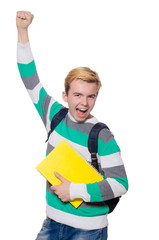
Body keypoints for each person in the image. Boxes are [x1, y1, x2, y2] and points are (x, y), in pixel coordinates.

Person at [16, 11, 128, 240]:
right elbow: (29, 77)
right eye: (77, 95)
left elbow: (120, 184)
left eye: (91, 96)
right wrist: (23, 31)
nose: (84, 103)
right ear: (65, 95)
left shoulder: (102, 135)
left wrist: (74, 191)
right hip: (51, 223)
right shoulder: (54, 115)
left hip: (88, 230)